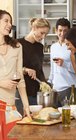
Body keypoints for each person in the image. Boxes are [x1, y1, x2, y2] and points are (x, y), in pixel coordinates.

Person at [0, 9, 31, 139]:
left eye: (10, 22)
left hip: (9, 104)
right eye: (6, 21)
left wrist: (26, 106)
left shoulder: (17, 46)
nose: (9, 24)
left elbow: (20, 78)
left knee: (13, 136)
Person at [16, 18, 51, 113]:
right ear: (34, 28)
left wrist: (45, 84)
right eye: (42, 33)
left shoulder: (40, 47)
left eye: (46, 34)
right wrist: (25, 70)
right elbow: (12, 68)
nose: (43, 37)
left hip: (37, 93)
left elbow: (39, 69)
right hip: (22, 92)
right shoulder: (18, 44)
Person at [48, 18, 76, 107]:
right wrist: (49, 83)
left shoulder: (73, 46)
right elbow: (53, 69)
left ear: (69, 31)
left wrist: (64, 64)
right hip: (56, 90)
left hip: (70, 89)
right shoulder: (53, 47)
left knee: (69, 118)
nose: (62, 34)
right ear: (56, 30)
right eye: (60, 30)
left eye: (65, 31)